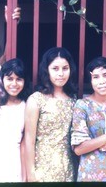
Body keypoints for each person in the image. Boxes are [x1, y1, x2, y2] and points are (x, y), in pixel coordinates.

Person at [23, 47, 78, 182]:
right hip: (42, 169)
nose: (60, 73)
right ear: (46, 70)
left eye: (65, 68)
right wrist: (31, 174)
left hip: (68, 169)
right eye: (55, 68)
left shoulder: (74, 100)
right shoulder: (36, 99)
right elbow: (29, 140)